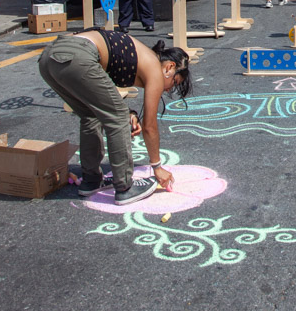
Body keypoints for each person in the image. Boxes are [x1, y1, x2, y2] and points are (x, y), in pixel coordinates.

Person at [38, 29, 191, 205]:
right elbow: (150, 126)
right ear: (170, 67)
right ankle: (125, 187)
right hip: (76, 55)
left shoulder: (136, 58)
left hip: (48, 58)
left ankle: (91, 180)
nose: (169, 89)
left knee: (91, 114)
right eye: (175, 82)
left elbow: (102, 94)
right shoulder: (155, 68)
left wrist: (129, 113)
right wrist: (157, 167)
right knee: (117, 118)